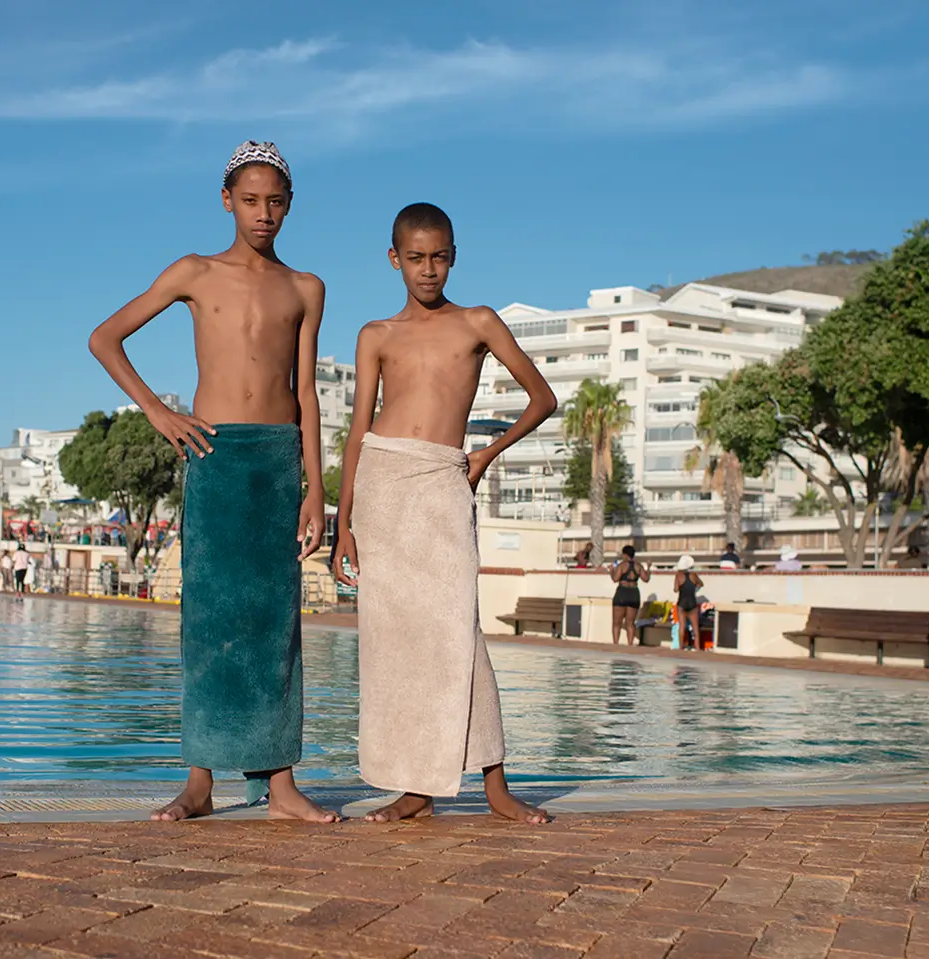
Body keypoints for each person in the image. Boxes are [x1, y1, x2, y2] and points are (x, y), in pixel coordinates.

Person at [88, 140, 336, 824]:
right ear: (227, 200)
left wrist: (315, 488)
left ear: (289, 206)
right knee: (209, 618)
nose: (264, 215)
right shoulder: (193, 271)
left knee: (276, 623)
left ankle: (280, 784)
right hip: (216, 453)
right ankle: (198, 780)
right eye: (251, 201)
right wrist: (157, 410)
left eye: (276, 202)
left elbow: (307, 391)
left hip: (279, 456)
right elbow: (105, 337)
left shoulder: (305, 287)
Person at [333, 202, 556, 824]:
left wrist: (487, 452)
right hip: (382, 485)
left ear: (454, 256)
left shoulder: (478, 322)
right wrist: (343, 525)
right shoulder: (375, 334)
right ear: (394, 259)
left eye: (439, 258)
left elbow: (543, 397)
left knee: (461, 632)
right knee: (394, 645)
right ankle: (415, 787)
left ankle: (495, 784)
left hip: (442, 480)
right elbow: (356, 433)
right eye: (415, 258)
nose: (428, 271)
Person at [610, 545, 650, 645]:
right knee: (630, 623)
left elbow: (615, 579)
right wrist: (648, 568)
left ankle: (616, 644)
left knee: (616, 623)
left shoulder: (622, 565)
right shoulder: (638, 566)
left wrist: (611, 571)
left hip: (622, 593)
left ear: (625, 554)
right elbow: (646, 579)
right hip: (634, 593)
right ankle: (630, 644)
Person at [673, 555, 704, 650]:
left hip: (682, 603)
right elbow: (701, 584)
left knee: (682, 627)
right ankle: (697, 648)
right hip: (692, 603)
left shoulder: (678, 576)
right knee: (695, 628)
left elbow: (676, 589)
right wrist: (695, 589)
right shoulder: (694, 575)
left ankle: (680, 647)